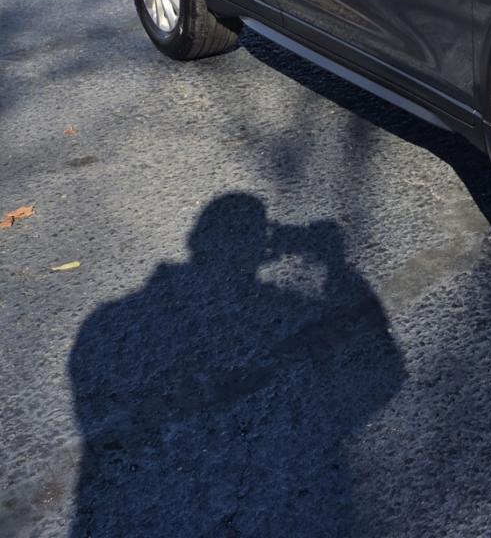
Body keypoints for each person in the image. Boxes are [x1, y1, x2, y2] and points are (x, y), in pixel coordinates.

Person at [68, 193, 404, 536]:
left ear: (195, 241)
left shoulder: (108, 320)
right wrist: (335, 263)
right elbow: (385, 368)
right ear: (260, 247)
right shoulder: (278, 308)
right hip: (270, 502)